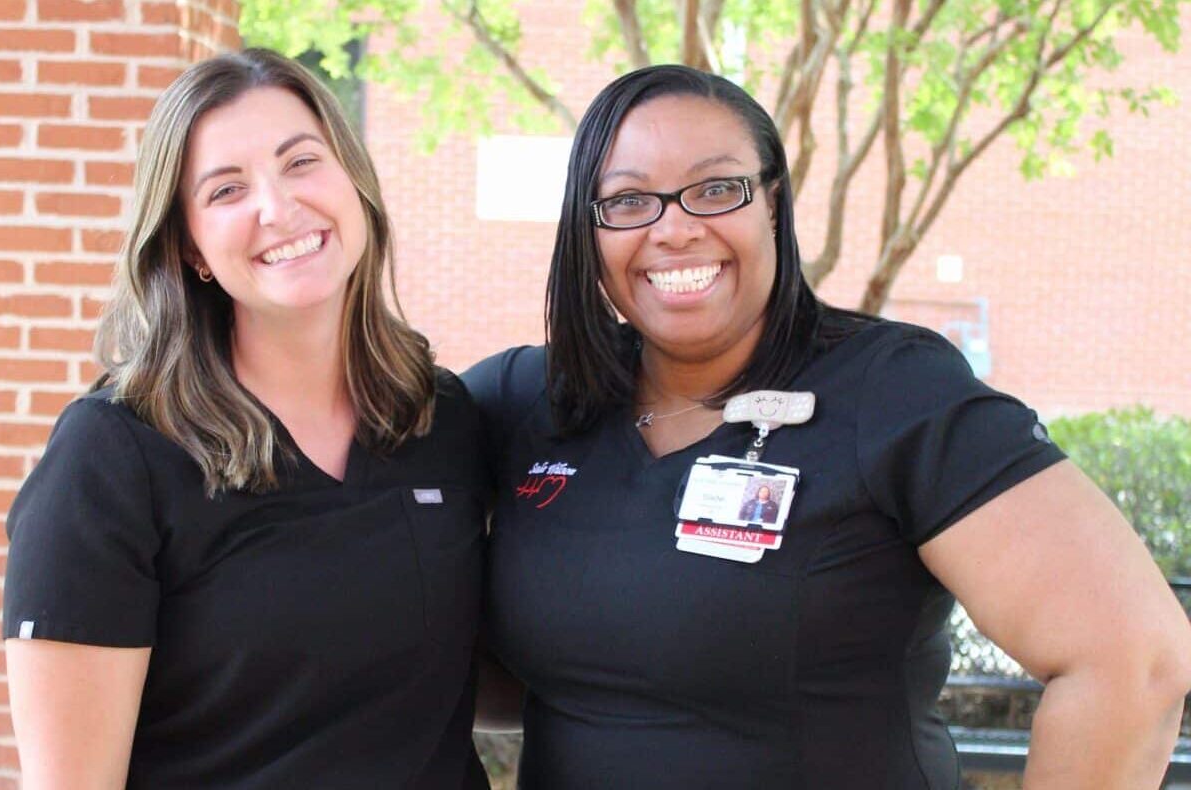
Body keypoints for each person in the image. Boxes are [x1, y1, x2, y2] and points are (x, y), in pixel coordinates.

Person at [464, 64, 1191, 788]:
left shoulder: (893, 392)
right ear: (588, 232)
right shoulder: (530, 400)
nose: (675, 229)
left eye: (717, 189)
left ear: (773, 204)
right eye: (626, 201)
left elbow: (1134, 659)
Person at [4, 49, 489, 789]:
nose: (278, 207)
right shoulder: (112, 455)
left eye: (301, 162)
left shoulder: (441, 416)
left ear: (353, 179)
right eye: (227, 189)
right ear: (190, 245)